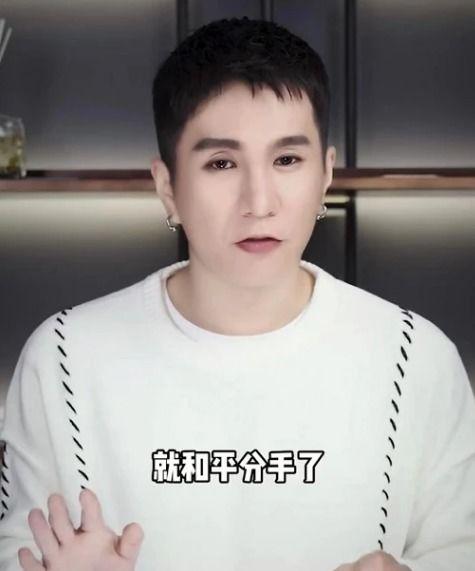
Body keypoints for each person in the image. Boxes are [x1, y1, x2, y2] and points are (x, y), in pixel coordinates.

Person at [0, 15, 474, 571]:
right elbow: (19, 548)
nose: (259, 202)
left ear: (325, 174)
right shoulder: (63, 355)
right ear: (167, 186)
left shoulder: (415, 356)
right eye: (221, 163)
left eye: (287, 160)